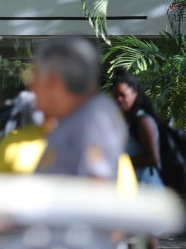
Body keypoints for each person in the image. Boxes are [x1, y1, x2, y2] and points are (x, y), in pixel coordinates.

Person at [31, 38, 127, 180]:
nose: (30, 87)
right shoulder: (78, 115)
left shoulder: (94, 119)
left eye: (34, 77)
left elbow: (97, 188)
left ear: (52, 80)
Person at [111, 68, 162, 249]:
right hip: (130, 187)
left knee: (147, 240)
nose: (119, 100)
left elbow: (154, 158)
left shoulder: (143, 121)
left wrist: (122, 162)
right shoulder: (127, 121)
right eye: (115, 95)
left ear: (135, 94)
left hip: (145, 187)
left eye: (123, 95)